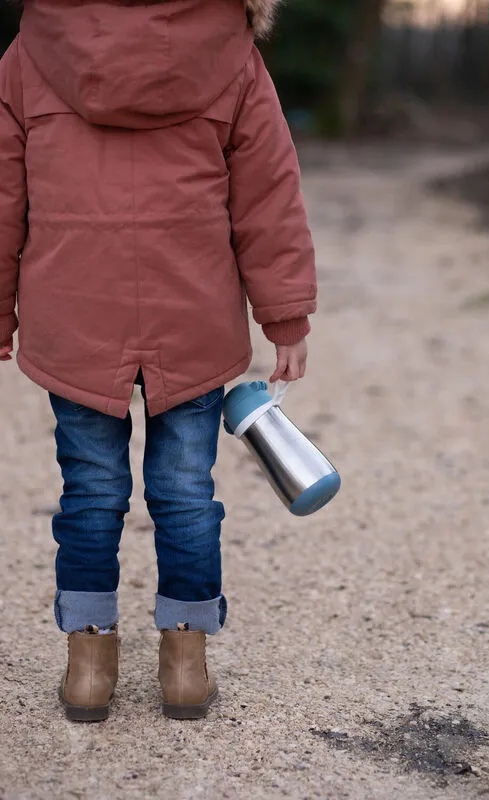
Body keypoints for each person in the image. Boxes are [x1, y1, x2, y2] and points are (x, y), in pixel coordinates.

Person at [0, 0, 316, 722]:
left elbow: (3, 195)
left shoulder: (31, 50)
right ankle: (184, 664)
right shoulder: (232, 49)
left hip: (74, 310)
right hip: (193, 312)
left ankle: (88, 665)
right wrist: (285, 314)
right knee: (183, 494)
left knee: (89, 492)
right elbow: (267, 192)